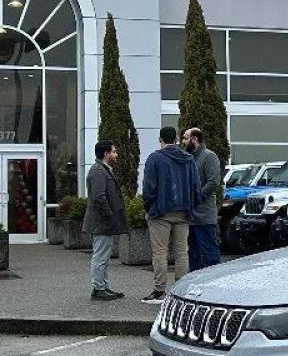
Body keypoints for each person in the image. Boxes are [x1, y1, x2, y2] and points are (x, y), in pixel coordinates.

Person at [140, 125, 200, 304]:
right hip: (183, 211)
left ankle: (159, 291)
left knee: (160, 252)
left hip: (160, 212)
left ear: (160, 140)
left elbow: (149, 188)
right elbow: (196, 187)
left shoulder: (155, 158)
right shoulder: (189, 159)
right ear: (175, 139)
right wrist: (191, 206)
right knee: (182, 251)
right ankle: (180, 289)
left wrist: (149, 208)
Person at [84, 140, 128, 301]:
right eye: (114, 152)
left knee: (104, 255)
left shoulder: (103, 170)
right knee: (100, 256)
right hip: (101, 222)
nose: (116, 155)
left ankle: (103, 286)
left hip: (104, 222)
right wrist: (110, 215)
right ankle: (98, 288)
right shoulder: (98, 171)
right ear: (106, 154)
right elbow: (99, 197)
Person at [183, 126, 223, 271]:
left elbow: (213, 182)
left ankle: (215, 284)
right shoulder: (189, 157)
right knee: (193, 254)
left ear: (194, 139)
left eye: (186, 138)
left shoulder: (209, 156)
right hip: (191, 216)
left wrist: (196, 198)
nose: (183, 141)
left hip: (204, 216)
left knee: (209, 254)